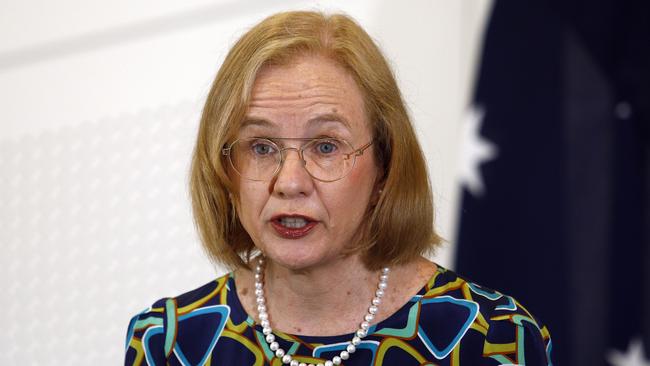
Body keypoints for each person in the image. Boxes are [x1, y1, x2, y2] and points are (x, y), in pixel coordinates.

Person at [124, 11, 552, 365]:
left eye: (326, 146)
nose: (290, 182)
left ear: (385, 165)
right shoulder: (169, 342)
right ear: (224, 167)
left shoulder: (493, 340)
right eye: (261, 146)